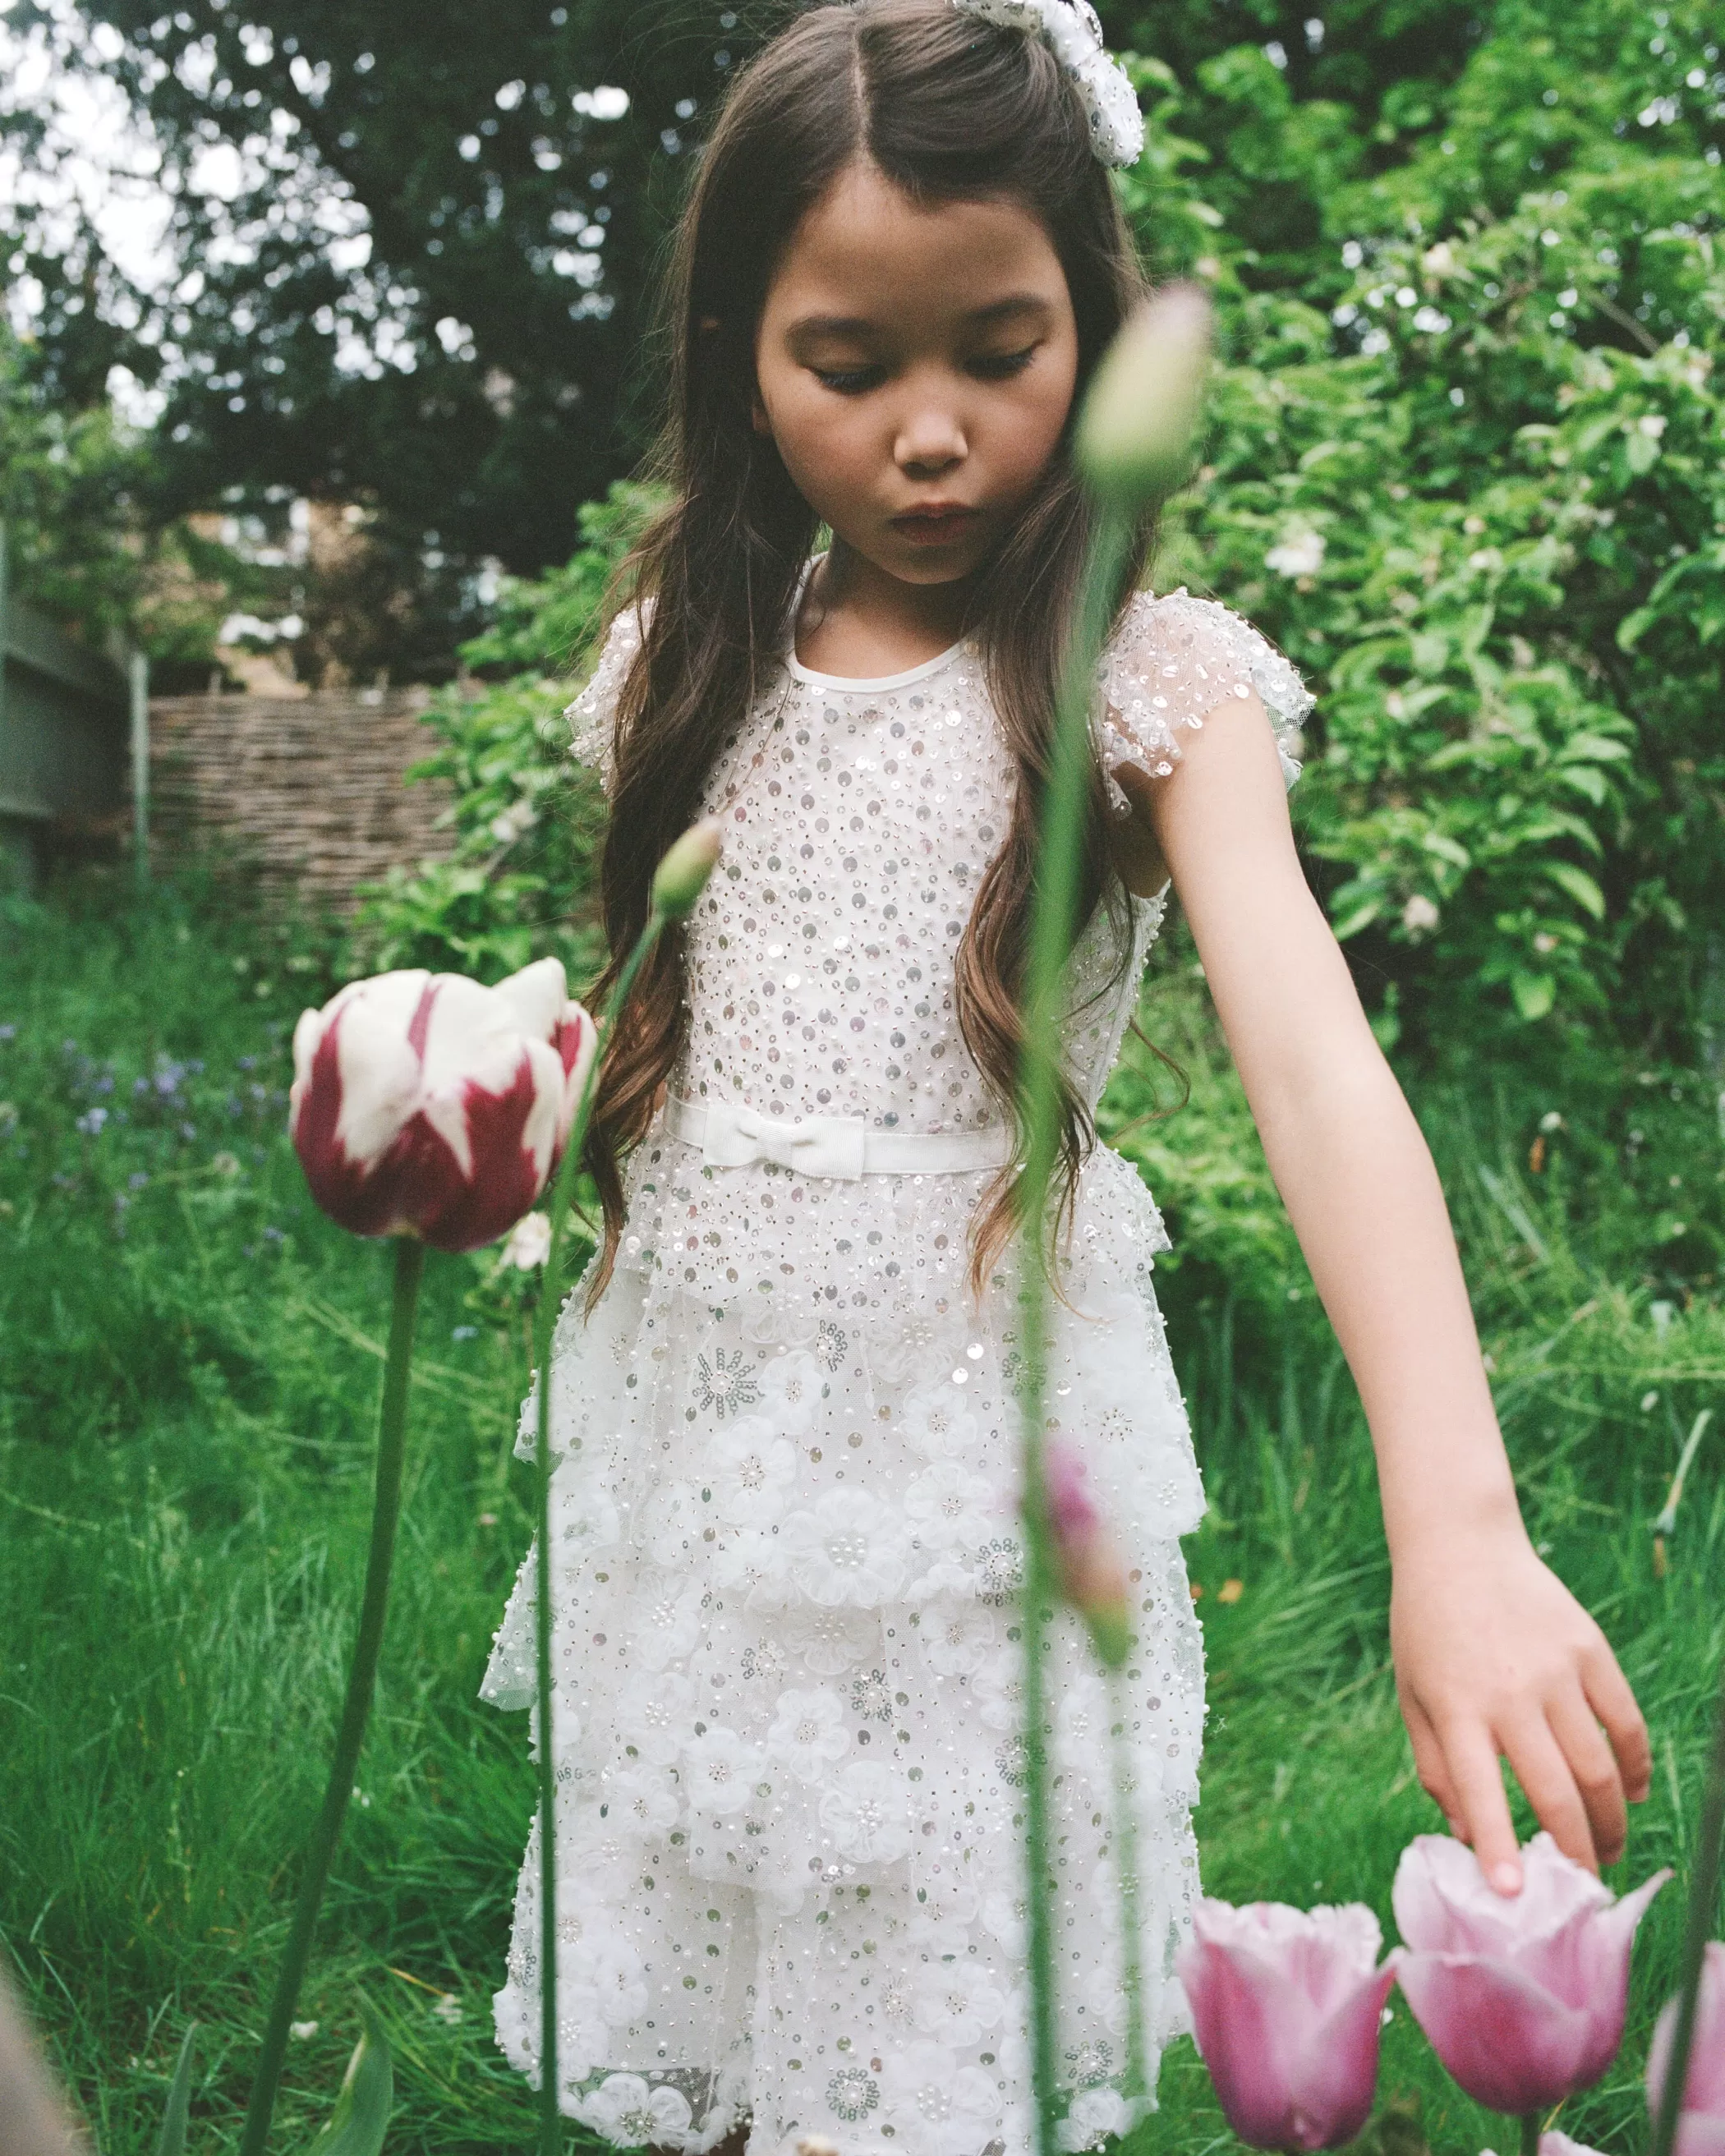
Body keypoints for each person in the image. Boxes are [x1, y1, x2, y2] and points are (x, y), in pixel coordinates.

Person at [481, 3, 1651, 2150]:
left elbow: (1307, 1060)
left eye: (996, 350)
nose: (929, 437)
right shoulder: (668, 666)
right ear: (742, 348)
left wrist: (1455, 1523)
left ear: (1095, 333)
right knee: (721, 2021)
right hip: (701, 1473)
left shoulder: (1148, 685)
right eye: (850, 365)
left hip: (973, 1488)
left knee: (930, 2045)